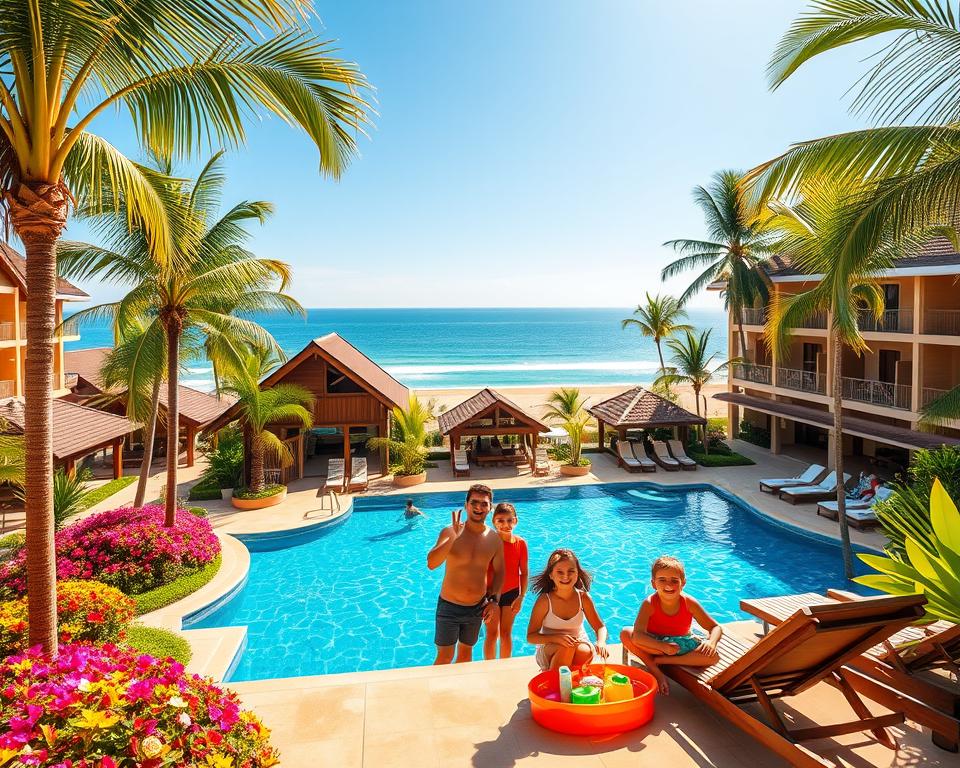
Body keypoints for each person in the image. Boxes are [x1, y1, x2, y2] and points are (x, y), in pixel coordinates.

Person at [620, 555, 722, 695]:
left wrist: (712, 642)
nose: (668, 585)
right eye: (662, 580)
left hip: (680, 645)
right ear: (653, 583)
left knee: (713, 656)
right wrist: (662, 646)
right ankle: (656, 670)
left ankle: (666, 661)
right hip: (656, 644)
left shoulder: (689, 603)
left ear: (683, 583)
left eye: (674, 581)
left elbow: (715, 627)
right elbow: (637, 635)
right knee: (626, 633)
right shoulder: (649, 604)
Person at [426, 483, 504, 664]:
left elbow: (500, 572)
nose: (478, 507)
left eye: (484, 503)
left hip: (476, 608)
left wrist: (494, 601)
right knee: (445, 657)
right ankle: (436, 692)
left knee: (465, 655)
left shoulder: (494, 539)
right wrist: (454, 536)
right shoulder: (449, 531)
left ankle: (458, 692)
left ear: (490, 508)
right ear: (466, 505)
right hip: (449, 606)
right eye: (474, 502)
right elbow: (431, 563)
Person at [526, 548, 608, 670]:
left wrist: (601, 642)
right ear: (551, 575)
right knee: (566, 648)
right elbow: (531, 637)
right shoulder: (544, 601)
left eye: (571, 571)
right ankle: (555, 680)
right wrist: (556, 638)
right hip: (550, 647)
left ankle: (572, 681)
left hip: (578, 642)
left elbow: (600, 627)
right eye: (560, 572)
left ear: (577, 573)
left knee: (586, 651)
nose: (566, 576)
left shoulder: (583, 598)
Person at [483, 502, 528, 660]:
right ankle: (489, 667)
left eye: (509, 520)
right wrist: (485, 599)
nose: (505, 524)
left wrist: (521, 597)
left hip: (512, 594)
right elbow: (480, 572)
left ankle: (504, 665)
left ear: (515, 521)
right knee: (491, 634)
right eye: (500, 520)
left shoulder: (521, 544)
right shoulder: (488, 543)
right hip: (490, 595)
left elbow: (524, 572)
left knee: (506, 633)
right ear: (493, 522)